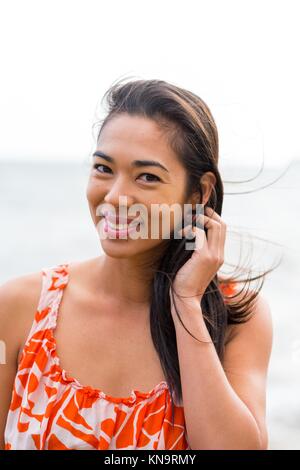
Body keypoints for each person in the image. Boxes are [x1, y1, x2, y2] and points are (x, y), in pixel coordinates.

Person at [0, 78, 273, 450]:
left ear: (199, 192)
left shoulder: (235, 316)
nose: (115, 196)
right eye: (103, 168)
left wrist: (187, 304)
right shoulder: (20, 307)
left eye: (147, 176)